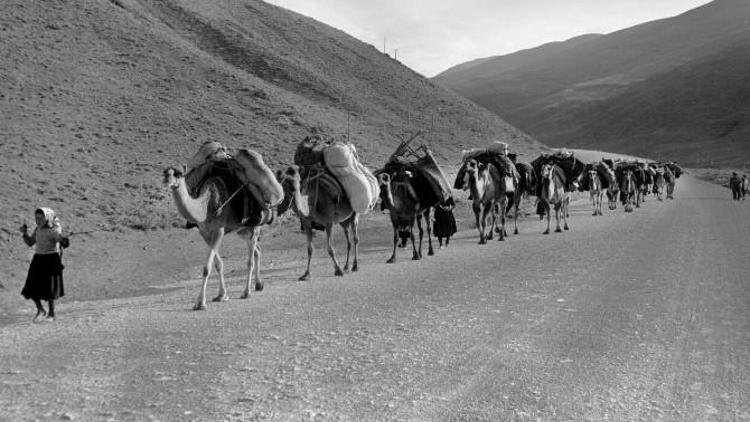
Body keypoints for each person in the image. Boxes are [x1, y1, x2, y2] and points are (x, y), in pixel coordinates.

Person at [20, 208, 68, 322]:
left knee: (49, 288)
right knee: (31, 286)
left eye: (40, 218)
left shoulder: (53, 231)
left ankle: (51, 314)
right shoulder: (38, 229)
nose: (38, 220)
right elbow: (30, 243)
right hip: (38, 259)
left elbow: (60, 240)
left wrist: (64, 241)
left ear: (47, 218)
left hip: (50, 260)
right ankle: (40, 310)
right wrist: (25, 233)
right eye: (36, 218)